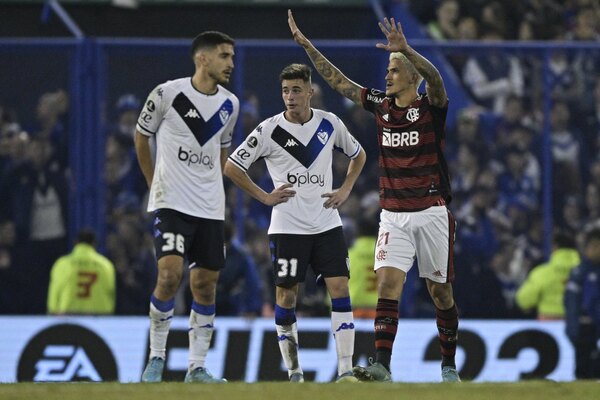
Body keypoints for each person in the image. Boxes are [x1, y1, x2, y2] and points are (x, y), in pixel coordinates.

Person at [289, 11, 461, 382]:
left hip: (431, 211)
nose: (388, 74)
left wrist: (408, 50)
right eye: (388, 68)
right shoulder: (381, 105)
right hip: (393, 214)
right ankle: (382, 364)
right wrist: (308, 48)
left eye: (395, 69)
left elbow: (437, 80)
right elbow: (340, 84)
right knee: (387, 283)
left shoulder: (430, 108)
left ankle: (448, 364)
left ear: (412, 75)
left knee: (440, 293)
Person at [224, 63, 366, 382]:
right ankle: (294, 370)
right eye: (285, 90)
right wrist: (264, 196)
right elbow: (232, 166)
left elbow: (359, 155)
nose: (290, 96)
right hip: (288, 227)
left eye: (296, 90)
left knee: (340, 288)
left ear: (310, 92)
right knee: (286, 296)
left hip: (327, 223)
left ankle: (345, 370)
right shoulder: (269, 130)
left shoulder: (330, 124)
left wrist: (345, 188)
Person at [134, 31, 239, 383]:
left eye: (232, 57)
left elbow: (222, 152)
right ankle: (156, 358)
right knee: (169, 275)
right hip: (171, 203)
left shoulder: (230, 104)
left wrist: (218, 191)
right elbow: (141, 135)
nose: (230, 64)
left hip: (209, 208)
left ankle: (197, 367)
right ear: (202, 59)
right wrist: (154, 184)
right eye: (224, 56)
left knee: (206, 286)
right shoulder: (167, 94)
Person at [47, 229, 116, 315]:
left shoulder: (63, 263)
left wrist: (52, 312)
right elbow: (111, 292)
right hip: (99, 315)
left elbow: (55, 291)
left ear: (75, 243)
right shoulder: (106, 265)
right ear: (94, 244)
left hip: (68, 315)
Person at [515, 231, 580, 320]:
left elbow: (524, 300)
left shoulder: (542, 273)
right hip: (582, 324)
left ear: (555, 247)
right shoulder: (587, 272)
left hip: (549, 324)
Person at [564, 226, 600, 379]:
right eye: (595, 246)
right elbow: (571, 303)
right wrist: (574, 329)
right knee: (585, 372)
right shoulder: (580, 272)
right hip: (585, 328)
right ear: (586, 249)